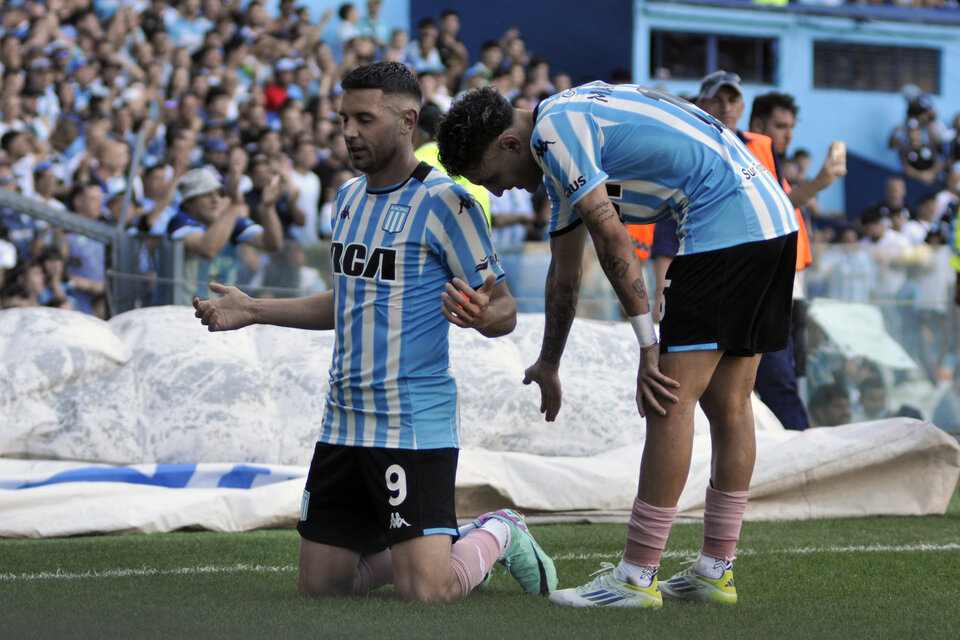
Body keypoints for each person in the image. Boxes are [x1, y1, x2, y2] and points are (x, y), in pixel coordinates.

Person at [193, 62, 555, 603]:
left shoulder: (447, 202)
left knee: (426, 592)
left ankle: (501, 530)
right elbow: (346, 302)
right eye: (343, 119)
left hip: (411, 425)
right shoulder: (347, 200)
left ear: (408, 120)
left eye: (364, 119)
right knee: (321, 589)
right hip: (343, 422)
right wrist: (255, 309)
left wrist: (484, 315)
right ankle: (426, 543)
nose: (348, 132)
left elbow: (504, 307)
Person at [437, 82, 797, 608]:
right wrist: (550, 361)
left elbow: (613, 239)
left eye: (492, 179)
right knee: (729, 401)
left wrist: (648, 349)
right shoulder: (566, 129)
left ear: (510, 145)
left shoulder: (553, 134)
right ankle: (715, 570)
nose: (499, 193)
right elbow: (564, 274)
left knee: (666, 399)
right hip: (772, 218)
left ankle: (636, 575)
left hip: (725, 224)